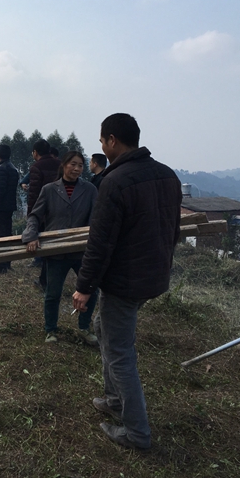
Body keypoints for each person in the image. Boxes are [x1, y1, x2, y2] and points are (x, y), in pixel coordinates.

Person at [72, 113, 182, 451]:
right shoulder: (167, 175)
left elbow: (100, 242)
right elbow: (174, 231)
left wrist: (84, 287)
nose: (101, 147)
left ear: (112, 140)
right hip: (153, 275)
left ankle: (137, 433)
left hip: (125, 280)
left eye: (102, 141)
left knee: (120, 353)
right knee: (105, 330)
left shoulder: (115, 181)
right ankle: (114, 400)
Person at [23, 151, 99, 345]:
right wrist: (31, 235)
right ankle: (50, 330)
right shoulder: (49, 189)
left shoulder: (90, 190)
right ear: (64, 165)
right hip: (56, 251)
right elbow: (35, 215)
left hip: (81, 251)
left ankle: (84, 327)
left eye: (80, 165)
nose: (77, 168)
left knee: (91, 290)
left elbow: (96, 218)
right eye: (73, 164)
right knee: (53, 293)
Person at [28, 139, 62, 287]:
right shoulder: (60, 164)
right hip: (60, 210)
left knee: (46, 247)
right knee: (55, 247)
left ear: (35, 152)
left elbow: (34, 194)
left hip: (43, 212)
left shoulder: (37, 167)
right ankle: (49, 279)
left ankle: (45, 281)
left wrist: (31, 215)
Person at [0, 144, 20, 274]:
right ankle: (7, 262)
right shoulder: (13, 168)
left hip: (1, 207)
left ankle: (0, 265)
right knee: (7, 234)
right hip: (9, 206)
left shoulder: (1, 169)